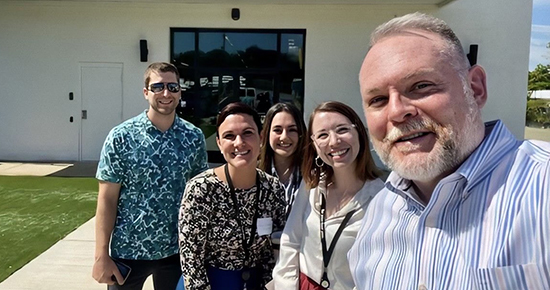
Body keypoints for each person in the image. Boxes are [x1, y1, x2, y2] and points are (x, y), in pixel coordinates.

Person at [349, 12, 550, 290]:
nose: (397, 112)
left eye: (420, 86)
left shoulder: (542, 189)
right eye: (378, 99)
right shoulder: (377, 215)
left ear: (475, 88)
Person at [92, 62, 208, 290]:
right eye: (158, 87)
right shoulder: (121, 137)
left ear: (180, 92)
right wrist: (100, 255)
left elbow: (199, 198)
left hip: (176, 252)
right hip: (128, 251)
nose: (166, 93)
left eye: (173, 87)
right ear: (146, 92)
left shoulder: (193, 138)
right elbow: (107, 199)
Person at [272, 101, 384, 290]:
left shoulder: (382, 198)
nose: (334, 141)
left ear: (360, 133)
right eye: (323, 135)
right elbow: (291, 242)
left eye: (342, 130)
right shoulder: (311, 185)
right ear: (314, 145)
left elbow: (378, 269)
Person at [179, 102, 286, 290]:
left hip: (256, 283)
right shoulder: (201, 189)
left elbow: (271, 252)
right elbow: (191, 259)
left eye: (247, 133)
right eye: (229, 136)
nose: (239, 143)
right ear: (219, 144)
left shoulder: (272, 188)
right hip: (212, 283)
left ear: (261, 138)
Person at [259, 102, 307, 218]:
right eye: (277, 130)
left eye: (292, 130)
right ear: (266, 134)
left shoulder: (312, 175)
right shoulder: (253, 174)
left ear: (301, 133)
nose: (284, 137)